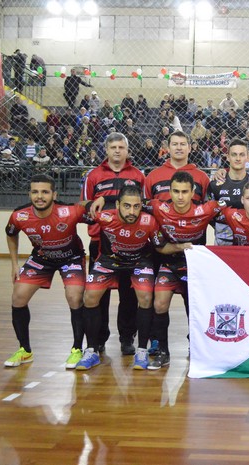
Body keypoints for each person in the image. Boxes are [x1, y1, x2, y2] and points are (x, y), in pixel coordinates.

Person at [4, 175, 92, 368]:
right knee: (18, 297)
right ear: (29, 194)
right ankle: (25, 351)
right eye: (35, 192)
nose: (40, 196)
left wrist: (94, 202)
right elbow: (11, 234)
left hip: (71, 258)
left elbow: (92, 212)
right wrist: (14, 264)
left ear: (54, 194)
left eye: (45, 192)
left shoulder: (69, 211)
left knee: (74, 296)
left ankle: (77, 349)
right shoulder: (20, 215)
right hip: (41, 259)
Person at [146, 171, 226, 369]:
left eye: (184, 192)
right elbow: (129, 203)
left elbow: (237, 206)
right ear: (169, 192)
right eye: (175, 191)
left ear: (193, 193)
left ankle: (197, 347)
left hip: (195, 267)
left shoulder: (207, 209)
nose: (180, 197)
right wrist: (100, 201)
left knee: (195, 309)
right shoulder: (158, 207)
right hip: (169, 264)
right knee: (159, 304)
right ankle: (163, 352)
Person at [76, 185, 161, 370]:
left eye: (136, 206)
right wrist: (94, 201)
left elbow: (161, 246)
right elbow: (78, 207)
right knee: (89, 296)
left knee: (145, 297)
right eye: (126, 206)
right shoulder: (104, 216)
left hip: (139, 261)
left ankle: (141, 351)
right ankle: (91, 350)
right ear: (117, 205)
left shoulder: (149, 220)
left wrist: (182, 247)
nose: (132, 211)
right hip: (108, 261)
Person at [81, 132, 145, 355]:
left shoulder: (138, 175)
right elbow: (83, 205)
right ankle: (99, 339)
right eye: (113, 147)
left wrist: (107, 200)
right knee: (99, 294)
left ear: (127, 150)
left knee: (129, 295)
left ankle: (127, 338)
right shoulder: (93, 176)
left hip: (130, 243)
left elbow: (142, 205)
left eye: (121, 147)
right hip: (100, 242)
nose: (117, 151)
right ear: (106, 150)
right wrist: (93, 203)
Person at [207, 139, 249, 245]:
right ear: (228, 157)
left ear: (247, 157)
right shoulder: (215, 185)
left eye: (242, 155)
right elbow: (209, 215)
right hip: (223, 242)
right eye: (234, 155)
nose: (238, 159)